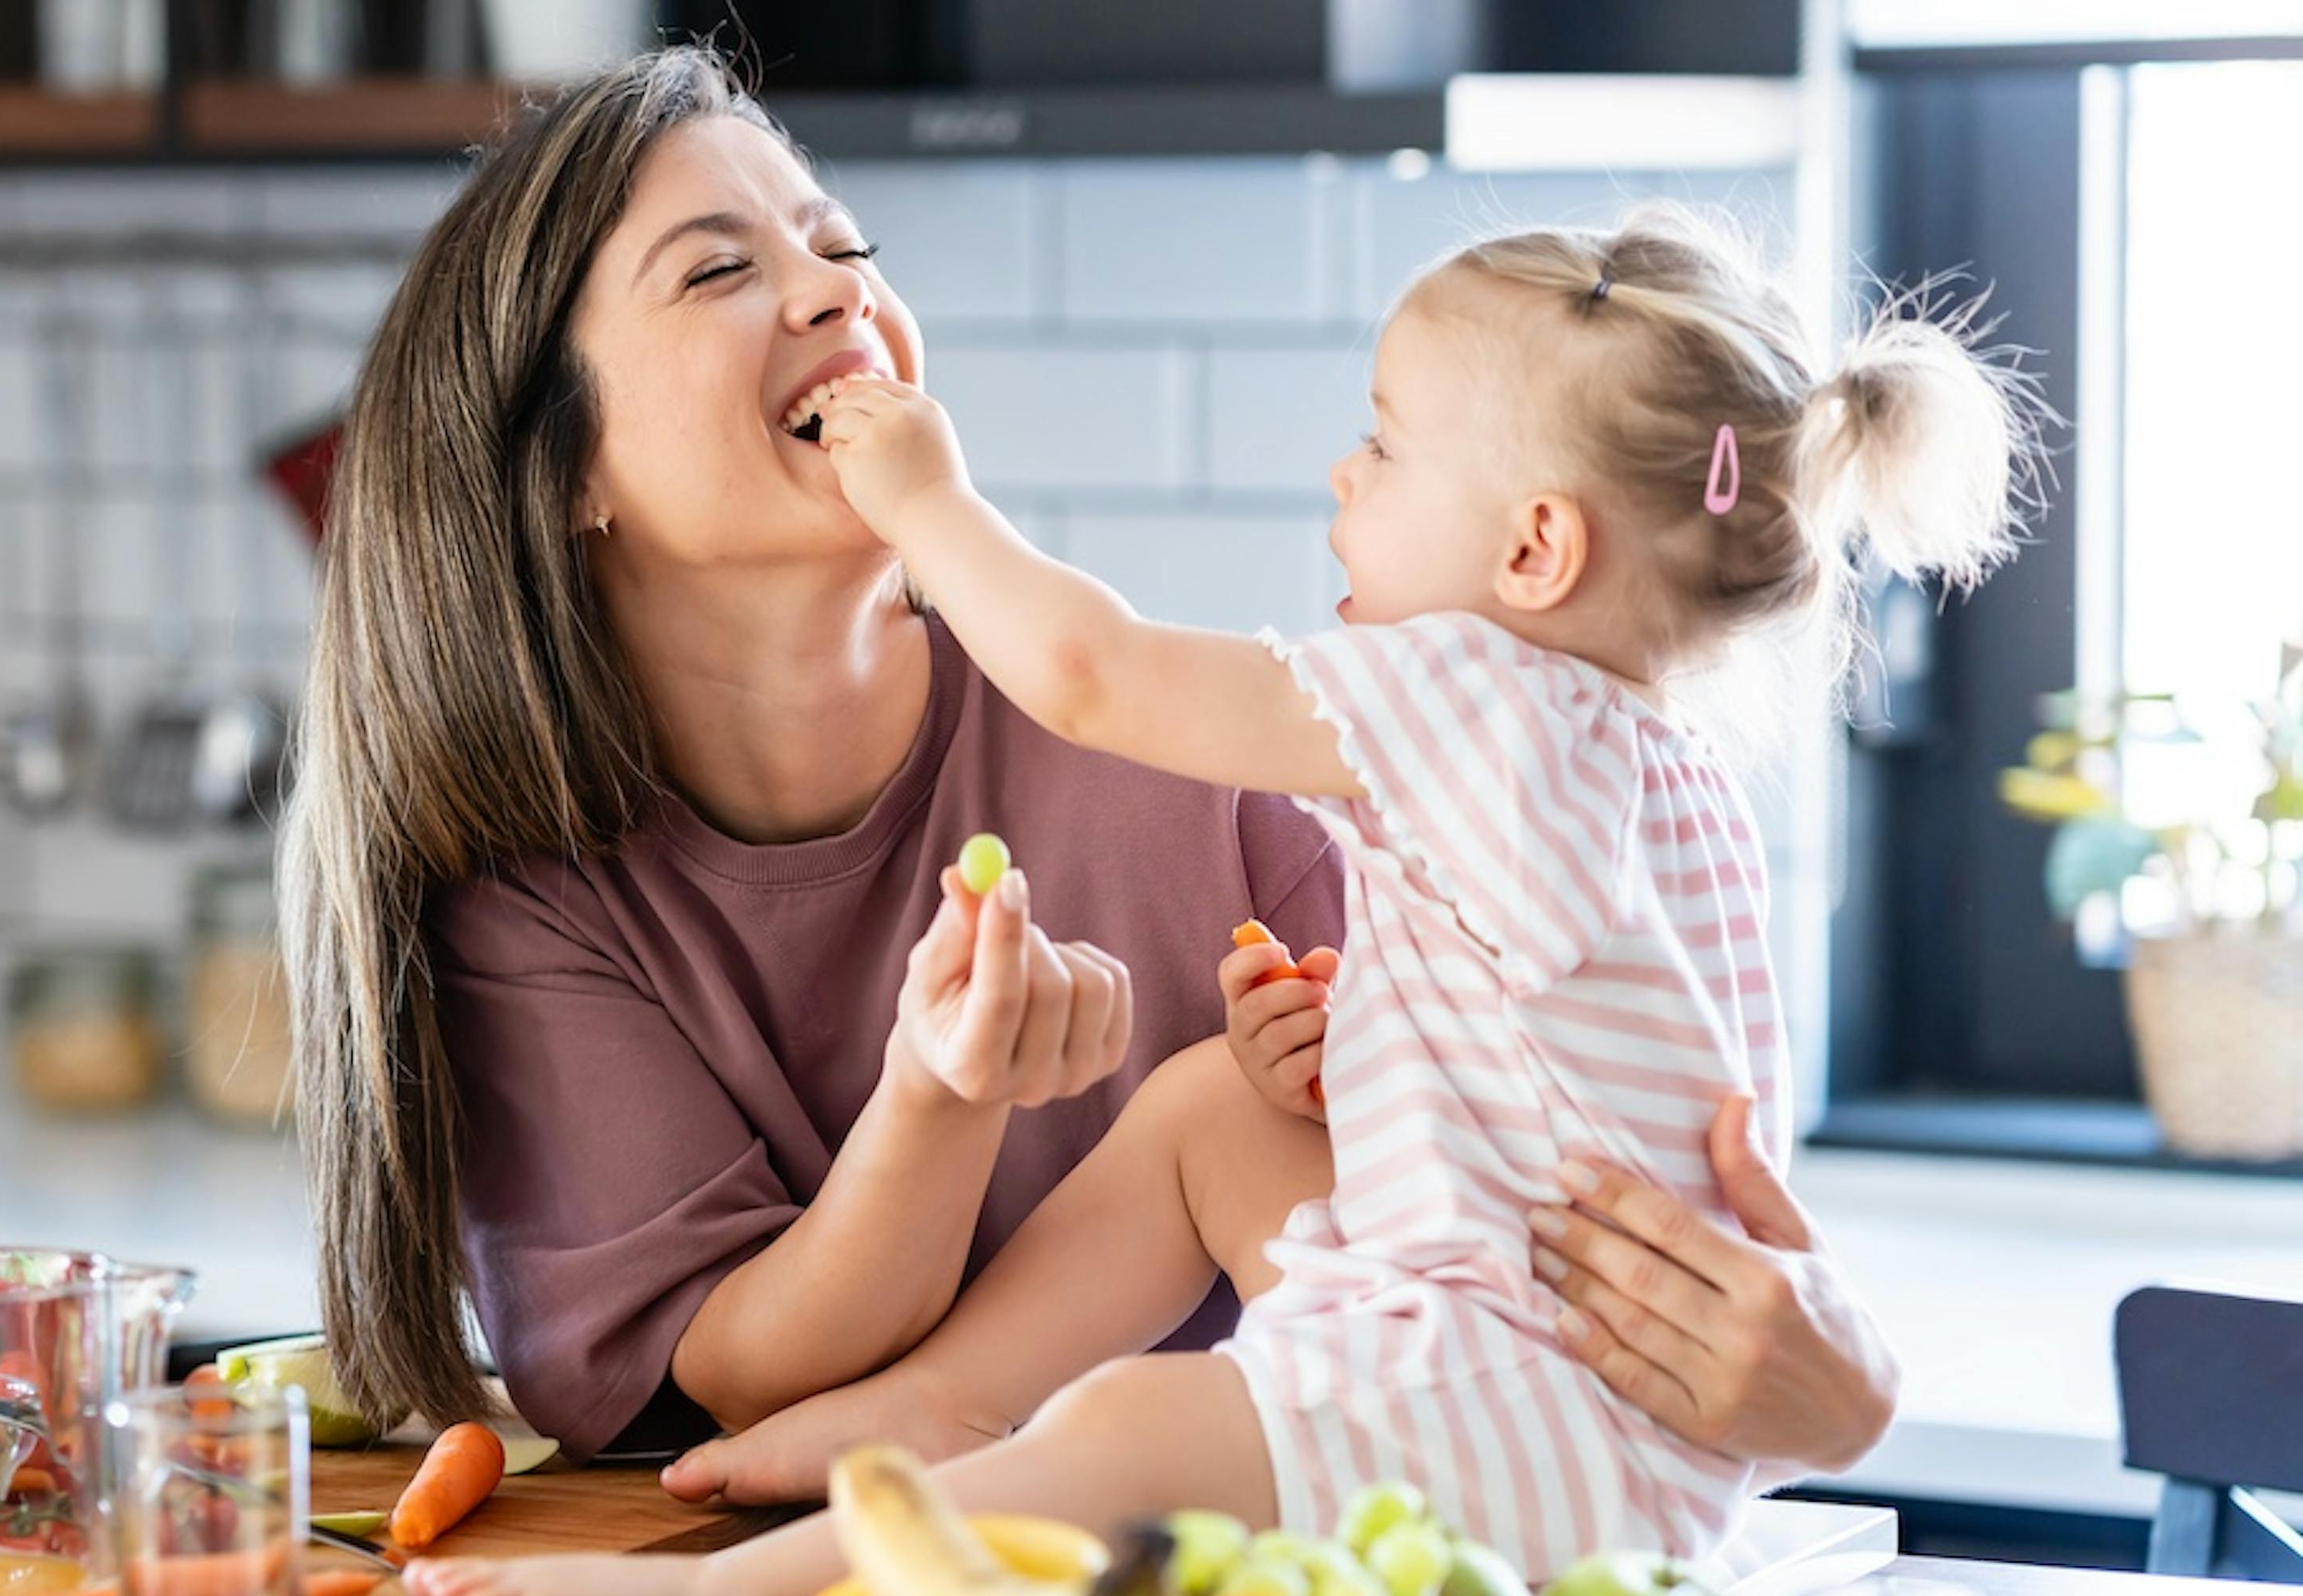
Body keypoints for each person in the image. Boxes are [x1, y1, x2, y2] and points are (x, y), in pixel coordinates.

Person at [403, 201, 2024, 1596]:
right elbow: (1563, 1085)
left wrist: (932, 498)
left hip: (1513, 1396)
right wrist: (1369, 1042)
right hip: (1596, 1409)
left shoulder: (1472, 687)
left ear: (1533, 551)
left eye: (1382, 449)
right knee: (1215, 1108)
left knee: (1130, 1424)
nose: (1343, 477)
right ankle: (949, 1395)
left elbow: (1089, 671)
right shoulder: (1641, 762)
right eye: (720, 263)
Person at [279, 47, 1898, 1499]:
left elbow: (1511, 1237)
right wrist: (944, 1094)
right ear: (564, 472)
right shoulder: (533, 906)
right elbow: (733, 1369)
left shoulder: (1201, 768)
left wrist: (1828, 1384)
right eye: (721, 269)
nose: (836, 291)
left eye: (845, 249)